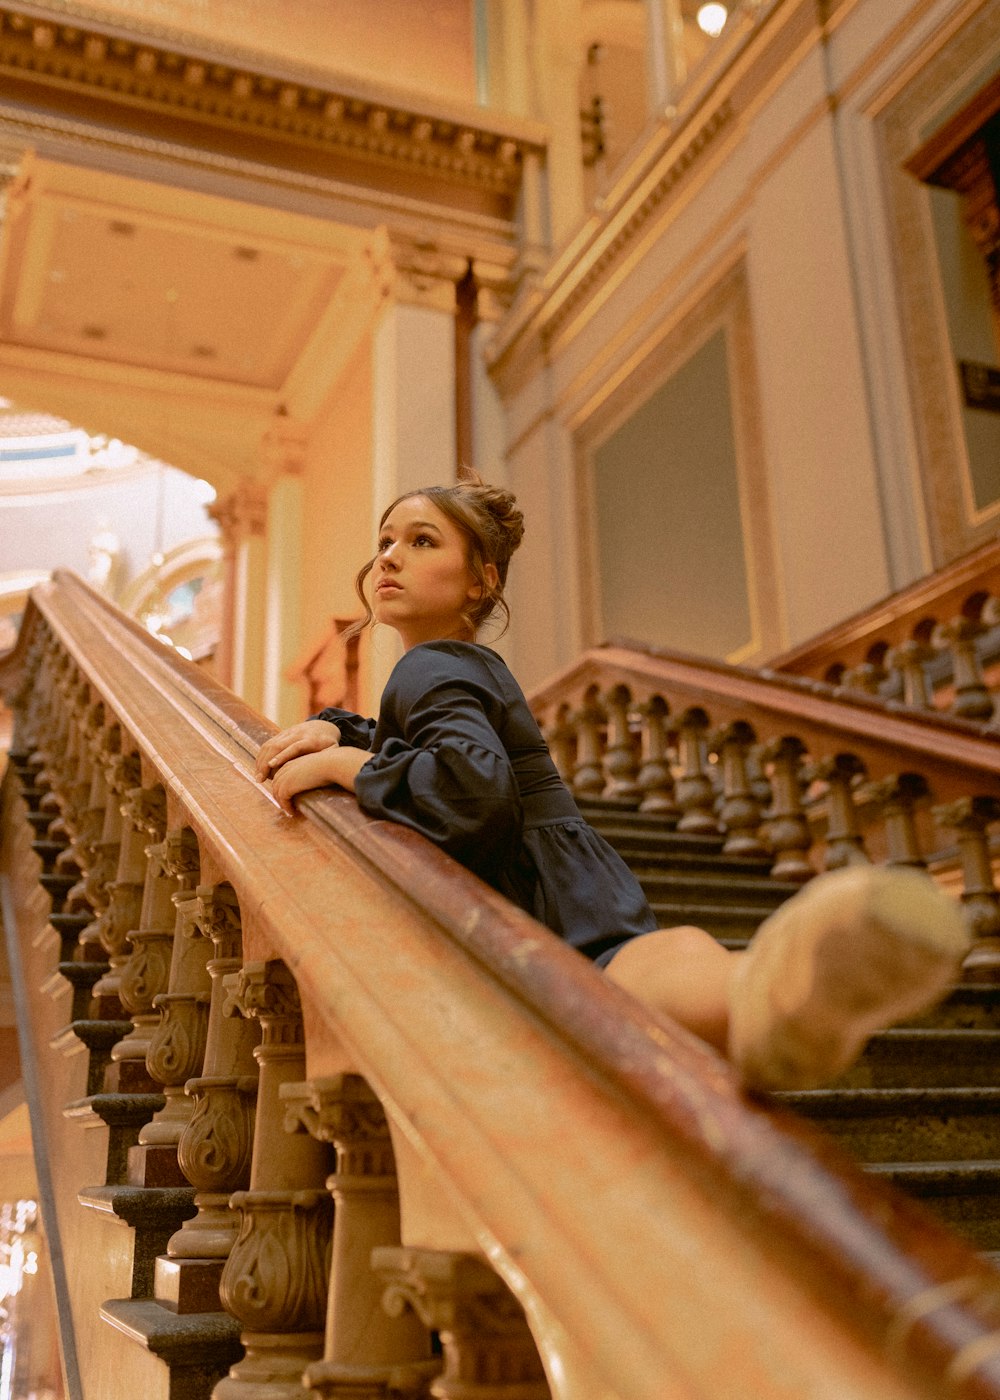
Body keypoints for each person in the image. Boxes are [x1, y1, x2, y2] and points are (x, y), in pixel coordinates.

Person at [254, 475, 970, 1092]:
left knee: (621, 984)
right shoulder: (456, 665)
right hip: (574, 872)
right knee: (654, 961)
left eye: (421, 541)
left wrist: (343, 764)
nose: (390, 556)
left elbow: (471, 788)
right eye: (385, 541)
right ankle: (777, 993)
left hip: (535, 884)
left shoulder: (427, 666)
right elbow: (432, 743)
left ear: (481, 580)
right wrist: (341, 730)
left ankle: (781, 991)